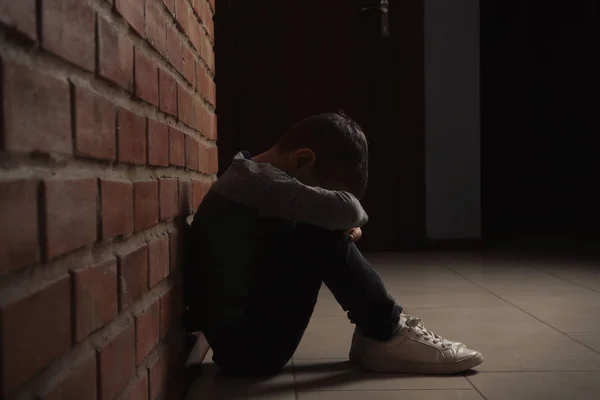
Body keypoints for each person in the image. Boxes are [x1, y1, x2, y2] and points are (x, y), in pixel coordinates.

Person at [184, 112, 483, 376]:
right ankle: (385, 331)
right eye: (321, 192)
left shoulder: (248, 177)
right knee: (319, 234)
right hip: (250, 354)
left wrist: (333, 226)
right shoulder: (261, 183)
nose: (316, 199)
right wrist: (334, 226)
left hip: (238, 345)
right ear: (302, 161)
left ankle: (377, 331)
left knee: (317, 230)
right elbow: (349, 211)